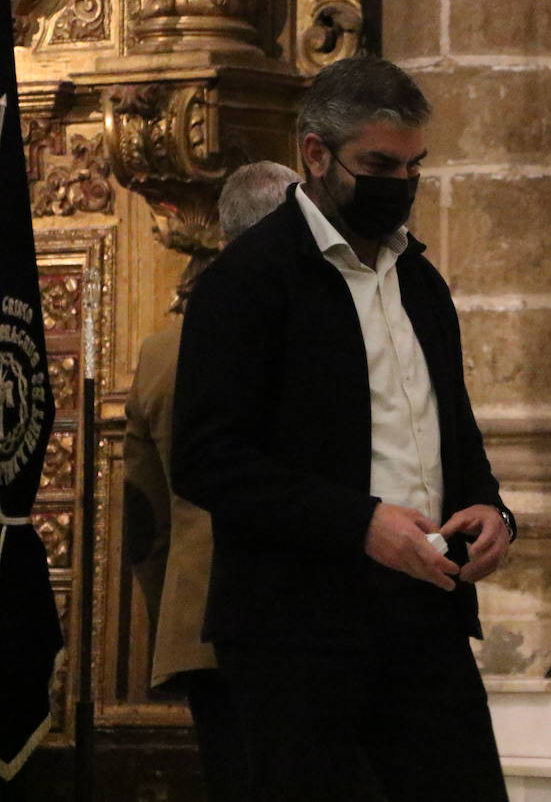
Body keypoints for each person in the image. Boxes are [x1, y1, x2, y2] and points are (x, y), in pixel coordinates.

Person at [171, 57, 516, 802]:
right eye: (379, 164)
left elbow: (449, 427)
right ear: (316, 154)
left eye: (414, 165)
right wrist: (360, 524)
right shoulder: (248, 280)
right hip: (297, 629)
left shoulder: (418, 279)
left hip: (425, 608)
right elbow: (206, 460)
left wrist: (492, 506)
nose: (401, 183)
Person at [124, 160, 300, 801]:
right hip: (305, 623)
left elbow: (143, 515)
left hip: (199, 618)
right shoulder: (315, 339)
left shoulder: (160, 352)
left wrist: (172, 602)